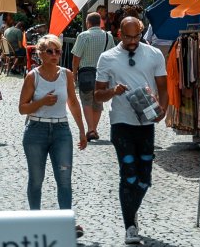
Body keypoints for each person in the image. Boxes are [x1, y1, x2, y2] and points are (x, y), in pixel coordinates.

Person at [93, 15, 168, 245]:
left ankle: (131, 210)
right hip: (122, 123)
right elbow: (97, 94)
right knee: (129, 174)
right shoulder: (107, 58)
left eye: (136, 36)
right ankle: (130, 226)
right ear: (119, 34)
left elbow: (164, 87)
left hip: (146, 124)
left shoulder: (154, 55)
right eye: (128, 36)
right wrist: (113, 91)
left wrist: (162, 109)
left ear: (141, 32)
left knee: (144, 179)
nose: (133, 41)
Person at [18, 35, 89, 229]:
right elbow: (22, 108)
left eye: (58, 51)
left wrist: (83, 131)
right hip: (36, 130)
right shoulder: (33, 76)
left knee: (64, 179)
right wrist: (41, 102)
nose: (55, 54)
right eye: (50, 51)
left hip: (61, 130)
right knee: (36, 179)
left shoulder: (66, 74)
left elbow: (73, 103)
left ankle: (67, 223)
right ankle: (35, 222)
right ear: (40, 54)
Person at [68, 12, 114, 142]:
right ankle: (94, 129)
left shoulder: (83, 36)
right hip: (102, 74)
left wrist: (74, 74)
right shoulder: (108, 36)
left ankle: (90, 129)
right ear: (100, 22)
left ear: (88, 23)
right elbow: (112, 54)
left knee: (86, 101)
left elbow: (76, 57)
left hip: (86, 73)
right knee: (98, 102)